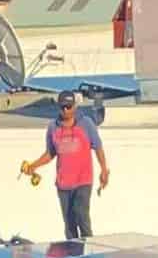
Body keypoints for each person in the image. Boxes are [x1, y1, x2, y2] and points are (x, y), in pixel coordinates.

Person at [22, 91, 109, 240]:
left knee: (82, 217)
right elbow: (50, 153)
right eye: (62, 107)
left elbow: (98, 146)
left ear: (75, 106)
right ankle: (73, 255)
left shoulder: (86, 124)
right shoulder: (53, 128)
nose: (65, 110)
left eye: (68, 107)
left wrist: (103, 169)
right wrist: (33, 165)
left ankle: (88, 254)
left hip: (83, 181)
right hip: (63, 183)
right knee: (69, 224)